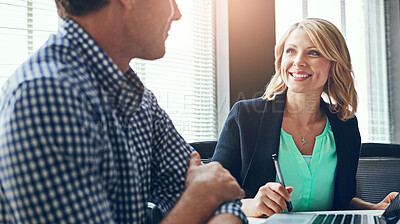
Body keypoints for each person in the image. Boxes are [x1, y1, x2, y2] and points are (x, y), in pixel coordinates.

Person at [0, 0, 247, 223]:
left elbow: (221, 190)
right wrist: (197, 202)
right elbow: (209, 192)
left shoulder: (142, 103)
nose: (178, 13)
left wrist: (208, 197)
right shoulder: (44, 97)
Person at [212, 18, 398, 218]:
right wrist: (251, 206)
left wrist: (374, 209)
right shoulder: (246, 117)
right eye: (291, 51)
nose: (298, 61)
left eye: (313, 52)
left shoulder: (345, 125)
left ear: (333, 64)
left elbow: (341, 199)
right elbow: (211, 196)